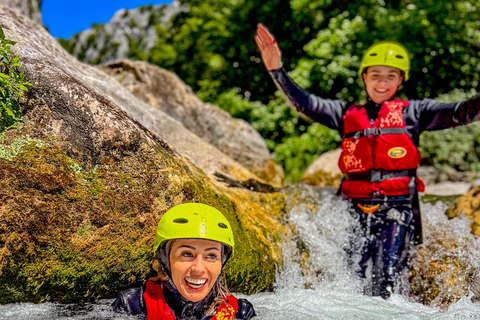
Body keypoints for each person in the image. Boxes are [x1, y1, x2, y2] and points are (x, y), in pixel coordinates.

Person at [255, 23, 480, 298]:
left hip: (397, 209)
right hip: (353, 208)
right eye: (375, 75)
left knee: (385, 279)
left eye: (390, 76)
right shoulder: (345, 113)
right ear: (364, 77)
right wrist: (277, 71)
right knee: (350, 279)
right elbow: (306, 103)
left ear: (400, 81)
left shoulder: (415, 113)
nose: (382, 83)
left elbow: (461, 112)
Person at [112, 203, 257, 319]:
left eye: (211, 256)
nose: (199, 269)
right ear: (164, 260)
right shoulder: (133, 305)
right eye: (187, 254)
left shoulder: (239, 312)